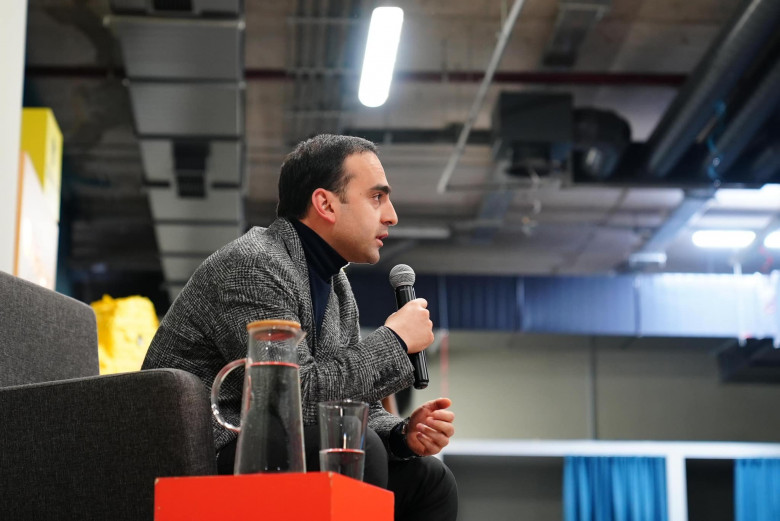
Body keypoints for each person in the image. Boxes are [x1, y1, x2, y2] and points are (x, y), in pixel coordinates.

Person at [142, 134, 458, 521]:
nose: (391, 215)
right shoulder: (255, 264)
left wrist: (402, 434)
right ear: (325, 204)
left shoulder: (338, 287)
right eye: (377, 197)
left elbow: (348, 403)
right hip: (207, 454)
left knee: (430, 480)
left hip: (272, 441)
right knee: (358, 447)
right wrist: (395, 341)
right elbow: (295, 399)